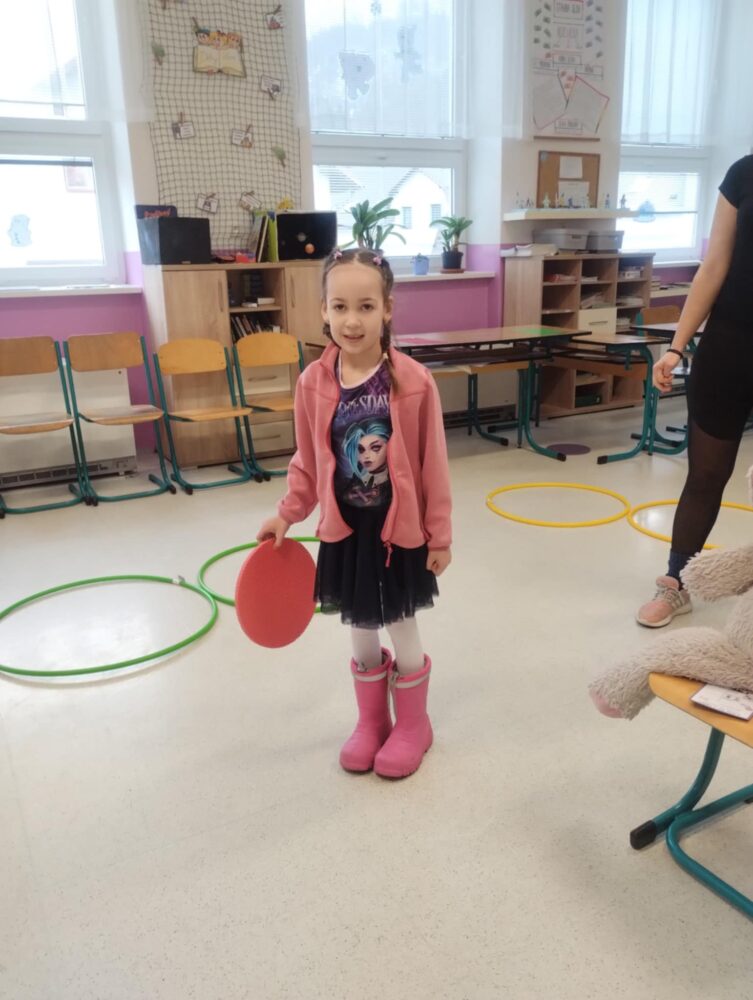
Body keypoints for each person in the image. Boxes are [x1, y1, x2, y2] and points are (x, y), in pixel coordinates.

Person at [256, 247, 452, 777]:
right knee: (360, 625)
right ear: (323, 309)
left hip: (398, 530)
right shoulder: (312, 383)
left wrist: (439, 536)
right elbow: (306, 459)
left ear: (387, 308)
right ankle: (372, 722)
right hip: (345, 529)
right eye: (339, 306)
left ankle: (414, 725)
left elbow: (433, 465)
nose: (351, 320)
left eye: (366, 306)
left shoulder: (413, 381)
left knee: (401, 622)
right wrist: (287, 513)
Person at [637, 154, 753, 627]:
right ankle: (676, 581)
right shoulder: (744, 173)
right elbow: (714, 265)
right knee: (705, 474)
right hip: (730, 345)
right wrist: (676, 347)